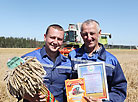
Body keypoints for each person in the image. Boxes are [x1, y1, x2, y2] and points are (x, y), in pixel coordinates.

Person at [68, 19, 127, 102]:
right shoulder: (72, 56)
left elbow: (119, 90)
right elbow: (64, 82)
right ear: (81, 35)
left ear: (99, 33)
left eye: (92, 33)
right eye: (85, 34)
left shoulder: (111, 61)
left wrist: (104, 100)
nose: (89, 38)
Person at [21, 24, 72, 102]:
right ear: (45, 37)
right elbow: (15, 87)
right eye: (52, 37)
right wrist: (29, 97)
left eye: (59, 39)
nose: (55, 42)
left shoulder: (67, 63)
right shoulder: (28, 59)